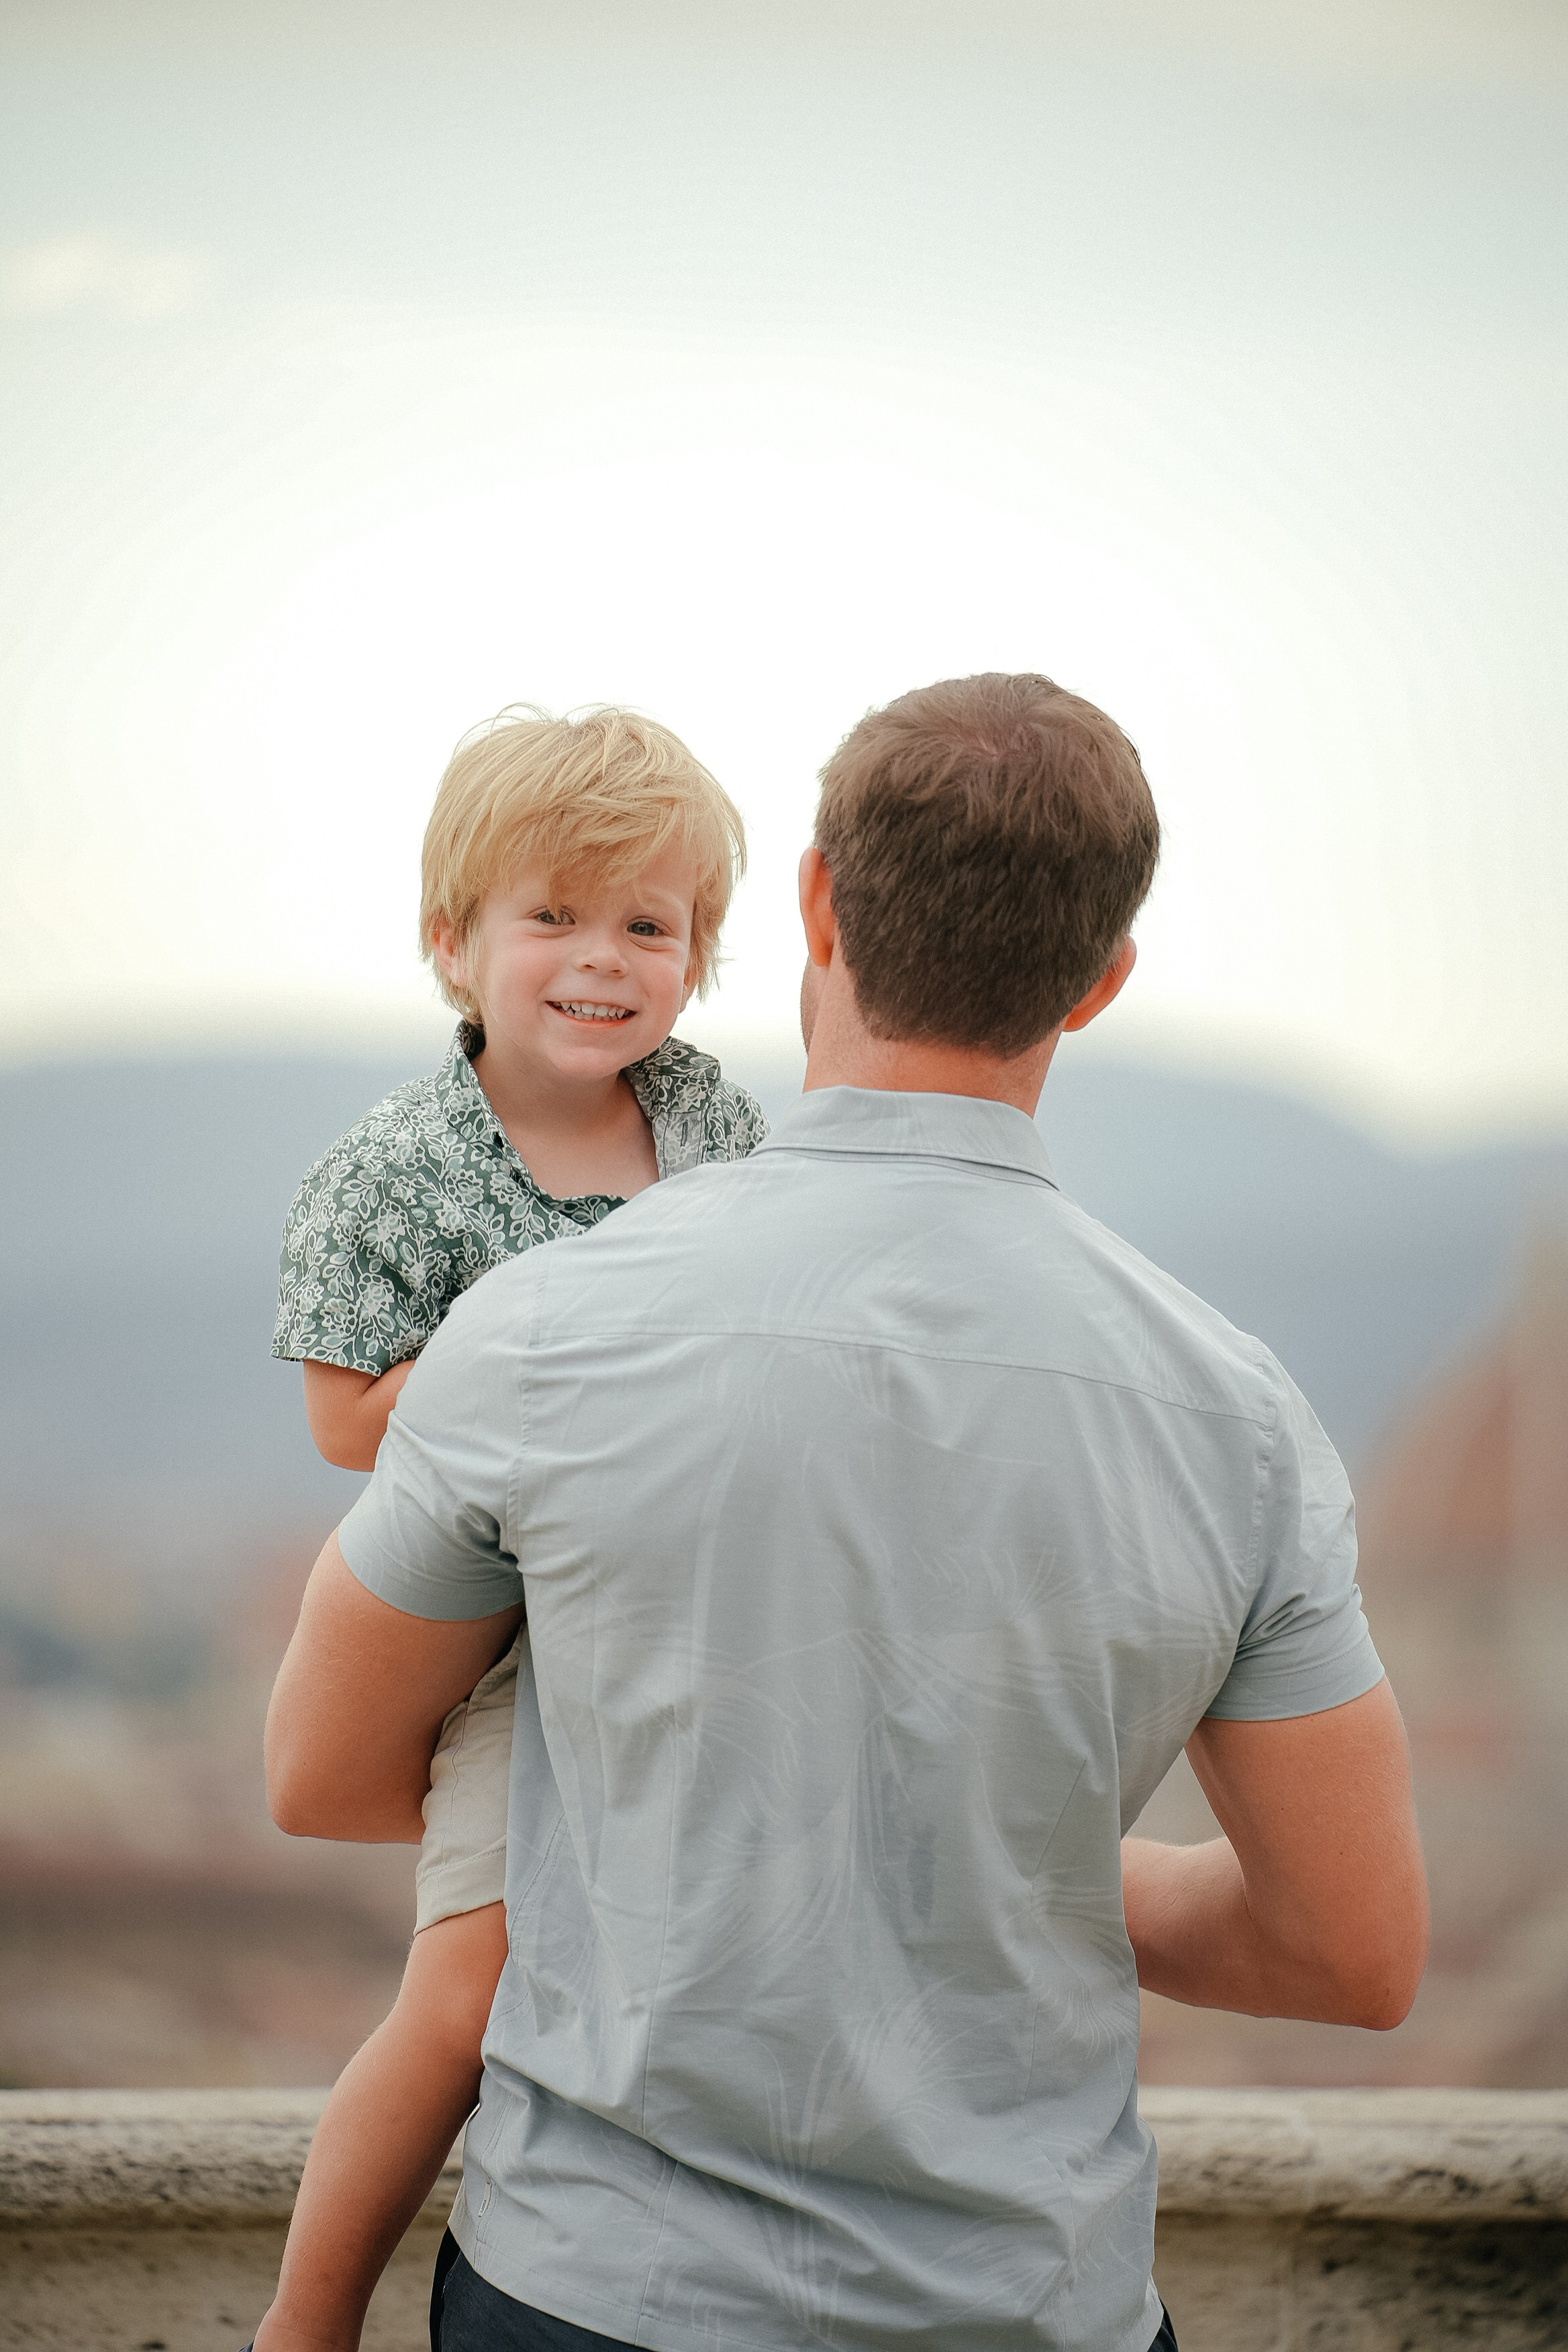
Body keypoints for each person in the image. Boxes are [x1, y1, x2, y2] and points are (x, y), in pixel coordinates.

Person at [265, 672, 1429, 2352]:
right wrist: (974, 1855)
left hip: (598, 2302)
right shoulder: (1239, 1419)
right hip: (1035, 2312)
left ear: (813, 901)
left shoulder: (534, 1329)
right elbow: (1353, 1951)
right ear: (1099, 982)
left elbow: (319, 1772)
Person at [252, 705, 765, 2352]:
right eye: (551, 915)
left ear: (697, 954)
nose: (600, 959)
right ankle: (311, 2316)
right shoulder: (398, 1171)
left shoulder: (714, 1132)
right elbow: (345, 1423)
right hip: (516, 1633)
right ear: (451, 943)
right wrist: (548, 1369)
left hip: (707, 1615)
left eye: (648, 924)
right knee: (472, 1984)